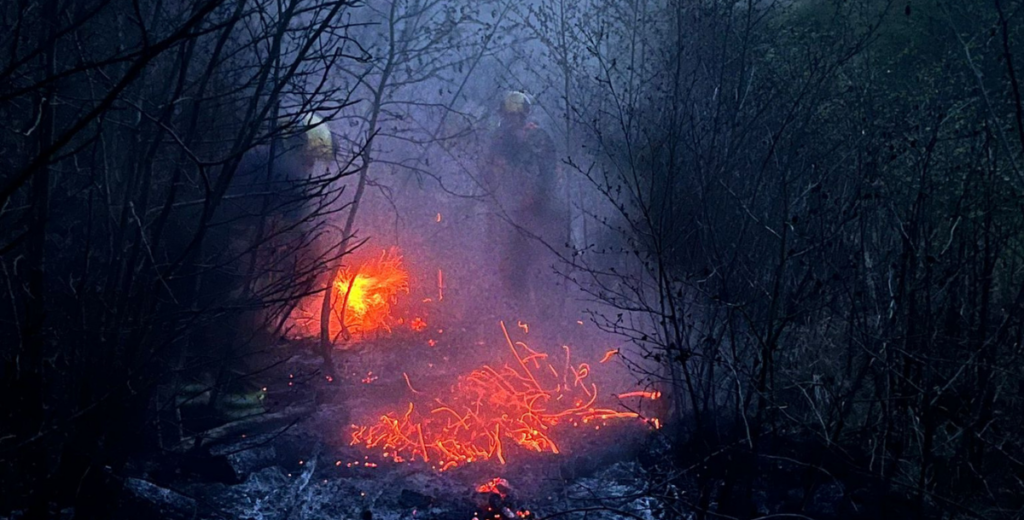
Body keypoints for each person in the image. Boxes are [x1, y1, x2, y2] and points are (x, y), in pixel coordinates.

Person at [482, 91, 566, 314]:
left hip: (538, 212)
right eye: (507, 117)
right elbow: (490, 173)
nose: (510, 122)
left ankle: (546, 313)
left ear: (523, 116)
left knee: (540, 264)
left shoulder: (537, 138)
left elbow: (549, 176)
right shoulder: (501, 140)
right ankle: (512, 310)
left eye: (514, 117)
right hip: (508, 212)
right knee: (507, 263)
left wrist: (537, 202)